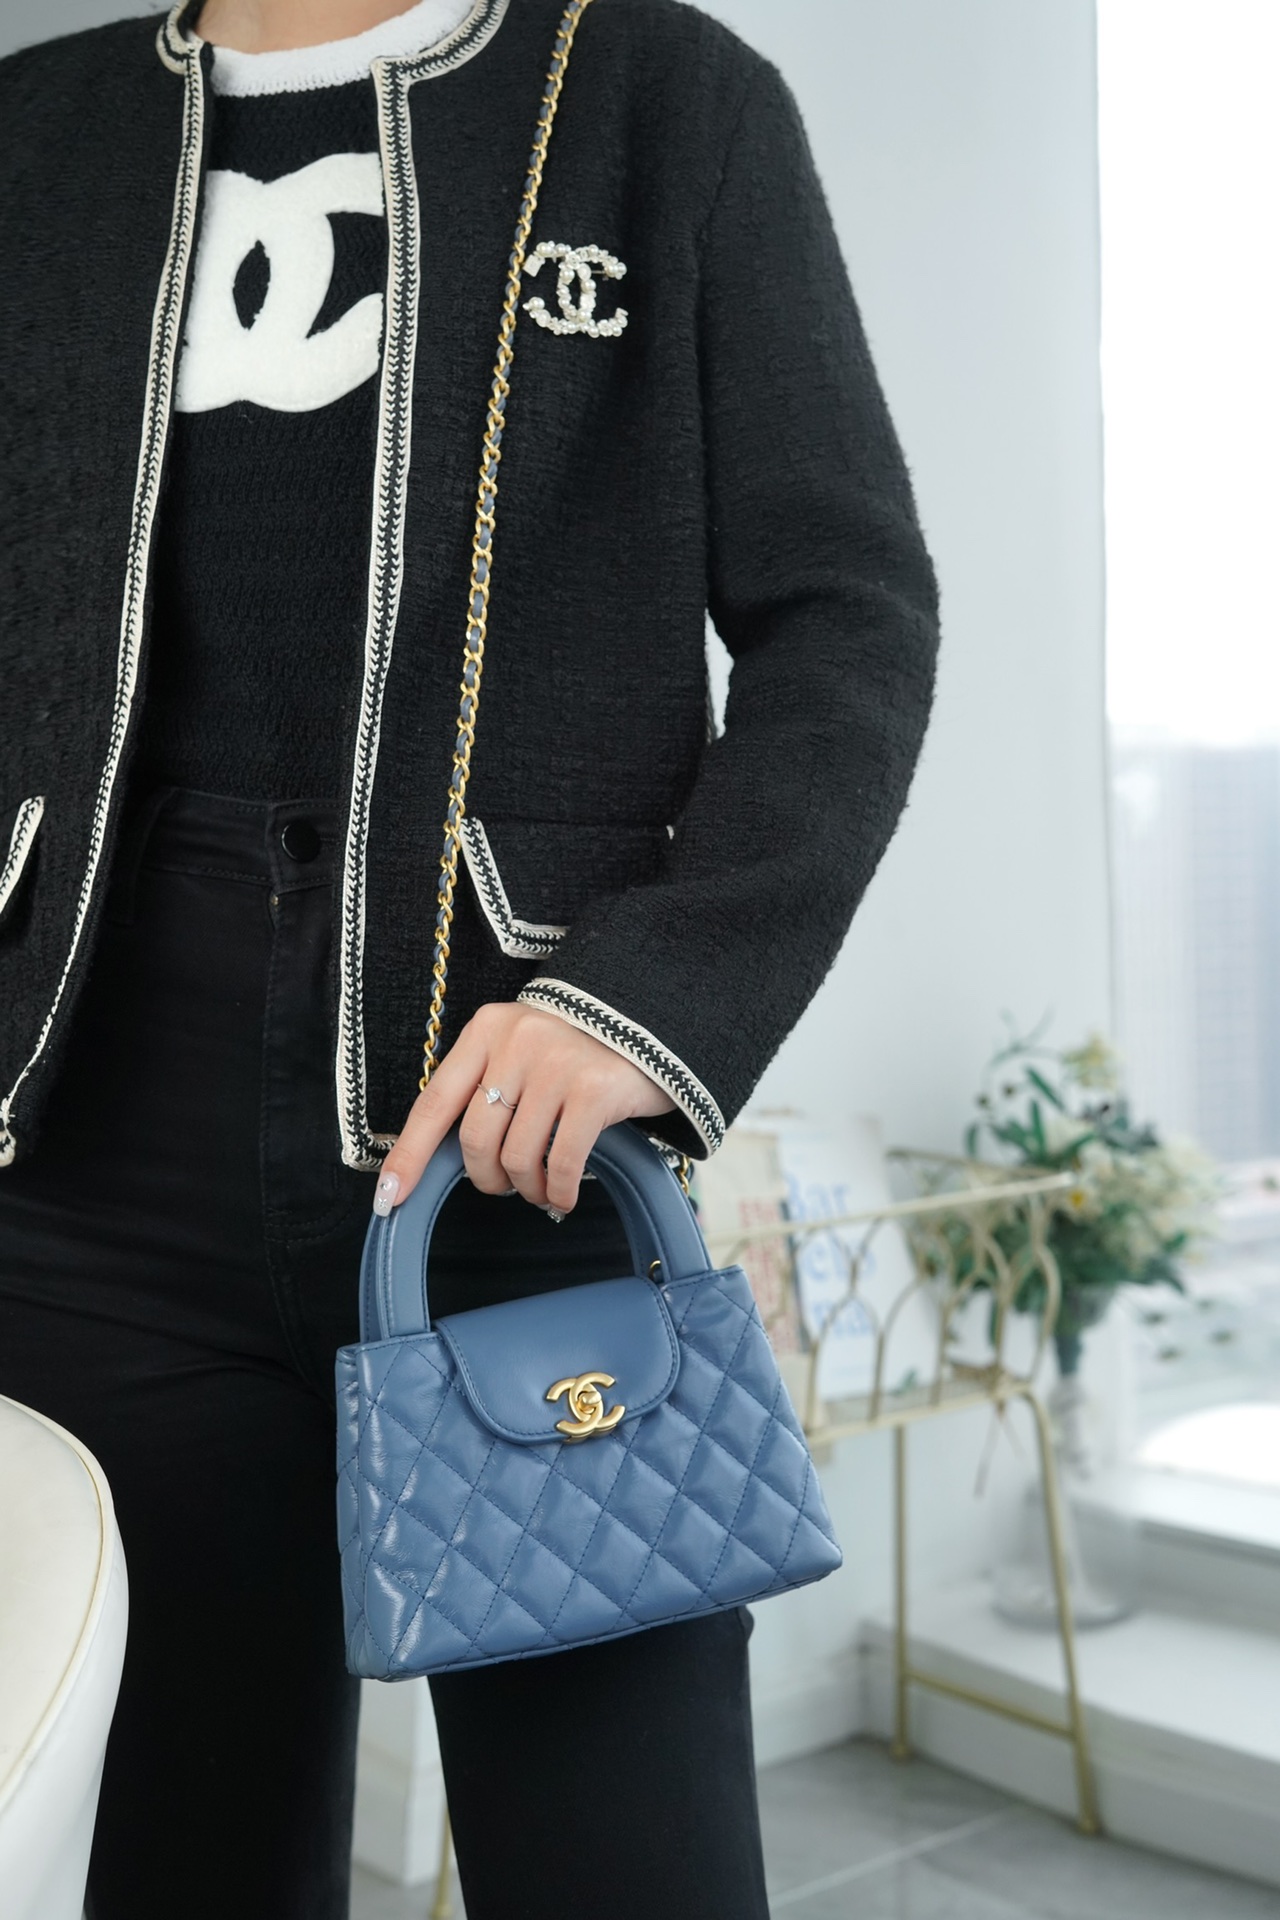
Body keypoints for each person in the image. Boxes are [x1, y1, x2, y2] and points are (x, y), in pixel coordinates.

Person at [0, 0, 939, 1914]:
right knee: (174, 1859)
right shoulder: (35, 129)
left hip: (522, 1148)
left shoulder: (665, 100)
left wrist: (652, 997)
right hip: (96, 1155)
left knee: (630, 1868)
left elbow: (847, 608)